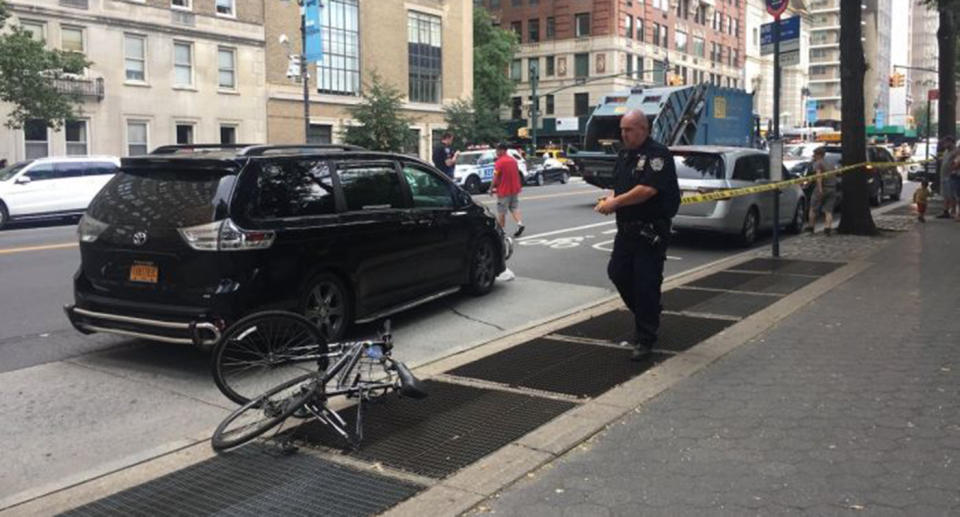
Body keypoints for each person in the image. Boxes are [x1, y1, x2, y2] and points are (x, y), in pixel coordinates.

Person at [594, 109, 680, 361]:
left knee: (645, 283)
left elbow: (647, 189)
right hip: (627, 230)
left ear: (644, 129)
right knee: (617, 272)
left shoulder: (658, 154)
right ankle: (648, 313)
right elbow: (621, 186)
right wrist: (609, 199)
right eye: (622, 129)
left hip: (650, 230)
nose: (624, 134)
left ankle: (645, 338)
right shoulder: (624, 155)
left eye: (629, 129)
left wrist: (616, 203)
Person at [491, 143, 525, 237]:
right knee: (514, 207)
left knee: (501, 211)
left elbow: (495, 177)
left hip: (503, 190)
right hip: (514, 189)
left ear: (502, 151)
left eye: (497, 150)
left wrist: (491, 189)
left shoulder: (499, 162)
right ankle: (520, 223)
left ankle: (502, 231)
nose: (496, 152)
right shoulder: (513, 160)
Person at [806, 147, 837, 236]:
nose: (813, 156)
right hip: (832, 188)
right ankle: (828, 228)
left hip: (822, 188)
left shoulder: (818, 163)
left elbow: (818, 177)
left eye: (814, 154)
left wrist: (820, 189)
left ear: (819, 155)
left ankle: (811, 227)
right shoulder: (831, 163)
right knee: (828, 210)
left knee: (813, 208)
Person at [936, 136, 957, 219]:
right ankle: (945, 211)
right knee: (945, 195)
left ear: (951, 142)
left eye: (946, 142)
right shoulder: (946, 151)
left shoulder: (956, 151)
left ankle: (953, 211)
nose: (944, 144)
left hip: (950, 176)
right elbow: (946, 160)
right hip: (943, 175)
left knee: (951, 195)